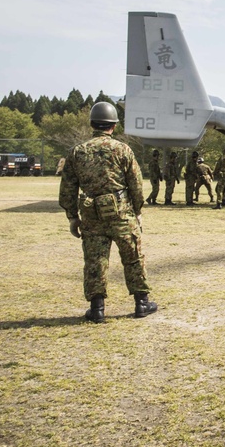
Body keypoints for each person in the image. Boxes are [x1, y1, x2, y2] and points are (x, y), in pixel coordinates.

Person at [58, 102, 158, 322]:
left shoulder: (77, 152)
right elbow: (136, 184)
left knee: (95, 261)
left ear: (93, 123)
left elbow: (67, 189)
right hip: (122, 214)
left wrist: (73, 217)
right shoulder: (123, 149)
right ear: (113, 125)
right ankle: (142, 303)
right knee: (133, 258)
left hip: (91, 216)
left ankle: (97, 309)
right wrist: (138, 210)